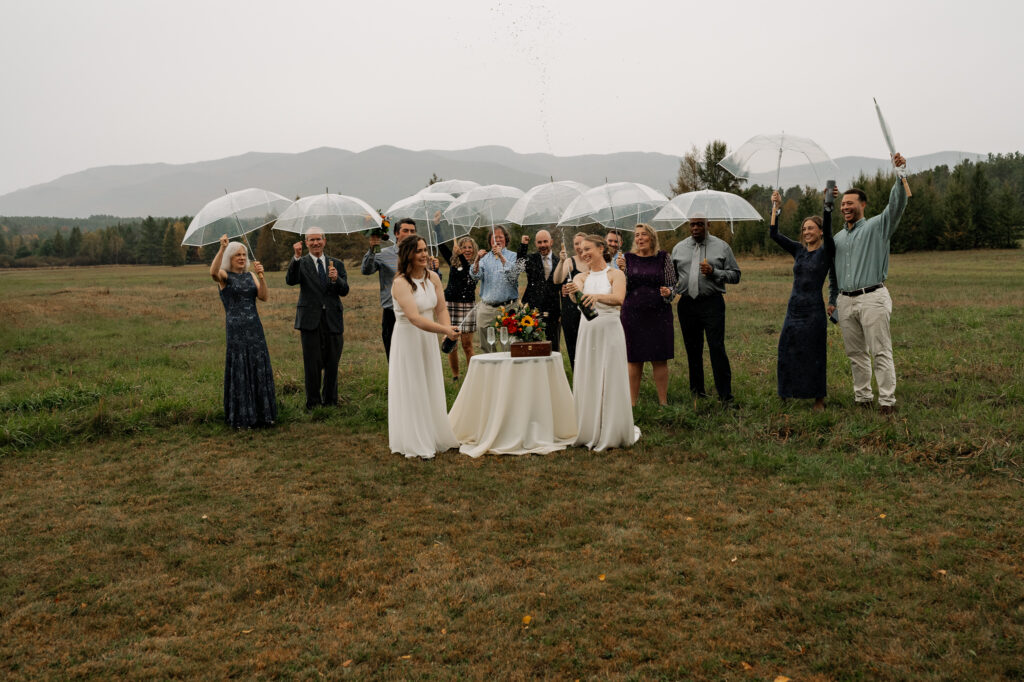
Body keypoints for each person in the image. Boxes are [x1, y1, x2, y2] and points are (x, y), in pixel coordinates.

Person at [829, 154, 909, 415]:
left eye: (851, 203)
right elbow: (833, 272)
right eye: (843, 204)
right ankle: (862, 398)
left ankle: (887, 402)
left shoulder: (878, 226)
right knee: (855, 354)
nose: (845, 208)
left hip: (872, 296)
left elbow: (896, 204)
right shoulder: (838, 238)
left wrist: (899, 173)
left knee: (880, 351)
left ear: (863, 205)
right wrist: (834, 301)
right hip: (845, 300)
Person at [388, 236, 461, 459]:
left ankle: (436, 435)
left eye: (425, 249)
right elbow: (415, 318)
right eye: (418, 251)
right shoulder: (400, 283)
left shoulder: (433, 278)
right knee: (414, 386)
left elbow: (440, 309)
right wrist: (444, 330)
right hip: (409, 339)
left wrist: (449, 332)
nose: (424, 254)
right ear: (407, 254)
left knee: (430, 382)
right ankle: (416, 443)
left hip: (428, 339)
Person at [565, 234, 637, 450]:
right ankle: (588, 428)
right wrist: (572, 288)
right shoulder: (582, 277)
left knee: (610, 377)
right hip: (587, 332)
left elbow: (619, 299)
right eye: (580, 249)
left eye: (588, 248)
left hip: (609, 331)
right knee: (589, 375)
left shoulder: (616, 274)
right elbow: (576, 288)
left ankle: (612, 429)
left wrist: (596, 296)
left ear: (601, 249)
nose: (583, 252)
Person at [770, 188, 839, 411]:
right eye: (804, 229)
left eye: (811, 228)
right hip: (794, 309)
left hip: (814, 311)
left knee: (814, 352)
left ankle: (818, 399)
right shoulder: (799, 251)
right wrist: (776, 207)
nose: (806, 231)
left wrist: (827, 205)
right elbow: (774, 234)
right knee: (786, 348)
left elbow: (830, 231)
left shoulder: (826, 250)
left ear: (820, 232)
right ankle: (786, 393)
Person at [671, 216, 741, 404]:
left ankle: (725, 396)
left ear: (708, 225)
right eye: (692, 224)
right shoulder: (679, 248)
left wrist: (715, 272)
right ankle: (697, 393)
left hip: (712, 304)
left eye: (700, 224)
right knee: (693, 350)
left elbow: (736, 275)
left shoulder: (722, 247)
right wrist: (668, 291)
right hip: (687, 304)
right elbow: (672, 278)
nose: (695, 228)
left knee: (717, 348)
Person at [210, 234, 276, 428]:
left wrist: (262, 278)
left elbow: (263, 297)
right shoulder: (224, 277)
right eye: (237, 254)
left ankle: (263, 416)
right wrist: (222, 249)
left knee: (258, 366)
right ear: (229, 258)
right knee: (241, 369)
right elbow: (213, 273)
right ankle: (241, 417)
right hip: (236, 331)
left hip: (255, 329)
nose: (241, 257)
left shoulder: (251, 275)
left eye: (243, 254)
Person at [286, 227, 349, 410]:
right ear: (306, 243)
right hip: (310, 320)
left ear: (324, 240)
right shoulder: (302, 262)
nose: (315, 243)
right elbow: (290, 280)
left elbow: (344, 291)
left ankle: (330, 401)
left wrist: (337, 279)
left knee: (332, 362)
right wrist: (296, 257)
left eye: (318, 239)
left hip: (332, 319)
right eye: (311, 240)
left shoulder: (336, 263)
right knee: (312, 364)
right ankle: (313, 403)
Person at [621, 223, 676, 406]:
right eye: (636, 235)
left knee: (659, 358)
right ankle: (632, 404)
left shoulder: (663, 257)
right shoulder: (626, 258)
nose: (640, 238)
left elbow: (672, 285)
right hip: (632, 314)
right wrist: (621, 271)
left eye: (644, 234)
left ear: (652, 237)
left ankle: (663, 402)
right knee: (634, 359)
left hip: (659, 314)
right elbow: (622, 287)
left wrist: (669, 292)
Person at [362, 217, 417, 360]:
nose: (409, 234)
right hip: (392, 312)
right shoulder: (382, 253)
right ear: (396, 234)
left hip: (417, 310)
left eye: (412, 231)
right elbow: (366, 270)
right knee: (393, 354)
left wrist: (435, 270)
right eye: (405, 230)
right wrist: (373, 249)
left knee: (415, 354)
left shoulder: (421, 254)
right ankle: (395, 383)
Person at [470, 225, 520, 352]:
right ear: (490, 241)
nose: (497, 240)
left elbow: (513, 274)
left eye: (500, 237)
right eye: (494, 237)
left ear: (506, 239)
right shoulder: (485, 258)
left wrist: (501, 257)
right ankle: (492, 367)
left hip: (508, 307)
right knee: (486, 344)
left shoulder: (513, 256)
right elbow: (475, 275)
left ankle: (508, 369)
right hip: (487, 307)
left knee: (508, 345)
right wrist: (476, 260)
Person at [516, 229, 562, 351]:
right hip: (531, 309)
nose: (542, 245)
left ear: (551, 242)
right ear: (536, 244)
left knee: (553, 347)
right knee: (531, 347)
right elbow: (519, 265)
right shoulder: (531, 259)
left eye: (545, 241)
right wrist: (523, 246)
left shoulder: (559, 262)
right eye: (539, 242)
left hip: (552, 311)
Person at [443, 236, 479, 381]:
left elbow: (467, 272)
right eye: (464, 247)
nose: (467, 250)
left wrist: (459, 255)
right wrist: (437, 226)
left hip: (467, 305)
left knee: (467, 345)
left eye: (470, 247)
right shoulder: (453, 261)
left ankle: (472, 377)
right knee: (452, 344)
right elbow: (442, 247)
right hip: (450, 305)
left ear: (474, 249)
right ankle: (456, 376)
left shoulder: (477, 264)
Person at [553, 232, 589, 369]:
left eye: (582, 243)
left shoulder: (592, 261)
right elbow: (557, 280)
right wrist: (562, 261)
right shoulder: (570, 261)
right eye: (576, 243)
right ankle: (577, 381)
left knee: (588, 348)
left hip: (587, 309)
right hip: (570, 311)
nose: (579, 246)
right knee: (573, 347)